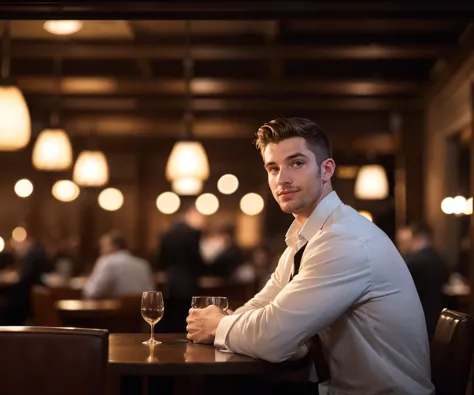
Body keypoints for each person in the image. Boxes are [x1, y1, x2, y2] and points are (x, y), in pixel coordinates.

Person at [186, 117, 434, 395]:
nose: (282, 178)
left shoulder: (344, 239)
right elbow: (263, 307)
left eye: (297, 163)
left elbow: (274, 337)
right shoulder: (304, 237)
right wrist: (226, 321)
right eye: (273, 168)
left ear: (326, 170)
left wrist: (218, 324)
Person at [156, 201, 206, 332]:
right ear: (190, 214)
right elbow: (196, 259)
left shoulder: (166, 233)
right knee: (187, 316)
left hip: (171, 281)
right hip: (188, 281)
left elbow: (161, 259)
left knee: (173, 317)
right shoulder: (192, 233)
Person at [397, 223, 449, 341]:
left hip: (417, 321)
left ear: (418, 238)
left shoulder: (414, 262)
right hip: (436, 318)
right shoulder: (439, 258)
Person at [83, 230, 154, 299]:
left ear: (115, 246)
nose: (101, 251)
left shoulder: (106, 262)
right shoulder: (143, 264)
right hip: (140, 310)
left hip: (115, 310)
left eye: (103, 246)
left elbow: (92, 292)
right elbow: (150, 292)